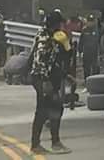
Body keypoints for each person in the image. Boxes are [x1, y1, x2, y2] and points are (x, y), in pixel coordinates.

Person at [29, 10, 73, 155]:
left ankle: (53, 142)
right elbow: (39, 62)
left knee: (54, 108)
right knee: (45, 109)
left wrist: (65, 75)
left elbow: (54, 61)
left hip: (50, 77)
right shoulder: (45, 38)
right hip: (42, 79)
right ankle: (40, 144)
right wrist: (45, 82)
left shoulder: (51, 36)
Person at [78, 16, 100, 81]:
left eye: (91, 21)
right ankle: (87, 82)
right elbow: (81, 42)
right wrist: (80, 52)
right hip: (86, 52)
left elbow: (99, 41)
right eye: (89, 21)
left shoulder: (97, 30)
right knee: (86, 68)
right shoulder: (84, 30)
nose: (90, 23)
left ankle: (95, 82)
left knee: (95, 68)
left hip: (95, 52)